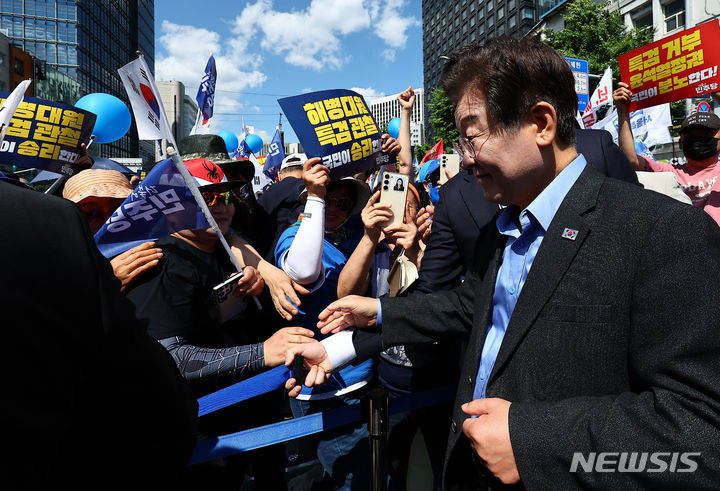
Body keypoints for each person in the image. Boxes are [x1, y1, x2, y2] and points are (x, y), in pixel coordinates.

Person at [286, 36, 720, 489]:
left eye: (472, 136)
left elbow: (703, 435)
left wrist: (534, 442)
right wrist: (365, 325)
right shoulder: (506, 227)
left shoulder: (664, 233)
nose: (465, 159)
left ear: (541, 123)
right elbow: (471, 307)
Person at [124, 157, 318, 488]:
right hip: (196, 433)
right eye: (203, 198)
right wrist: (262, 352)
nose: (219, 207)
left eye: (223, 197)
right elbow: (169, 356)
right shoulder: (161, 263)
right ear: (171, 207)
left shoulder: (225, 247)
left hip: (242, 421)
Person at [1, 178, 198, 489]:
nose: (111, 223)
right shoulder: (53, 267)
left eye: (121, 210)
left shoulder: (160, 259)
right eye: (90, 214)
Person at [275, 158, 373, 491]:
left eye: (343, 203)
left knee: (353, 476)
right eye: (328, 200)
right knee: (334, 478)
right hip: (317, 387)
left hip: (358, 377)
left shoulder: (353, 233)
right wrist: (316, 196)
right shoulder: (294, 237)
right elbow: (302, 272)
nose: (335, 208)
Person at [614, 81, 720, 225]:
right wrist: (623, 111)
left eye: (706, 134)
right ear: (681, 144)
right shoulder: (669, 174)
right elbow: (631, 160)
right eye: (690, 137)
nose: (698, 140)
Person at [62, 168, 165, 293]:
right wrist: (105, 286)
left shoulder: (166, 254)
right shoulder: (58, 266)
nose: (109, 220)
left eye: (119, 209)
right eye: (91, 213)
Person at [253, 152, 307, 260]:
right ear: (308, 171)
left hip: (262, 266)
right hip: (291, 267)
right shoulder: (307, 192)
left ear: (279, 175)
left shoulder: (263, 197)